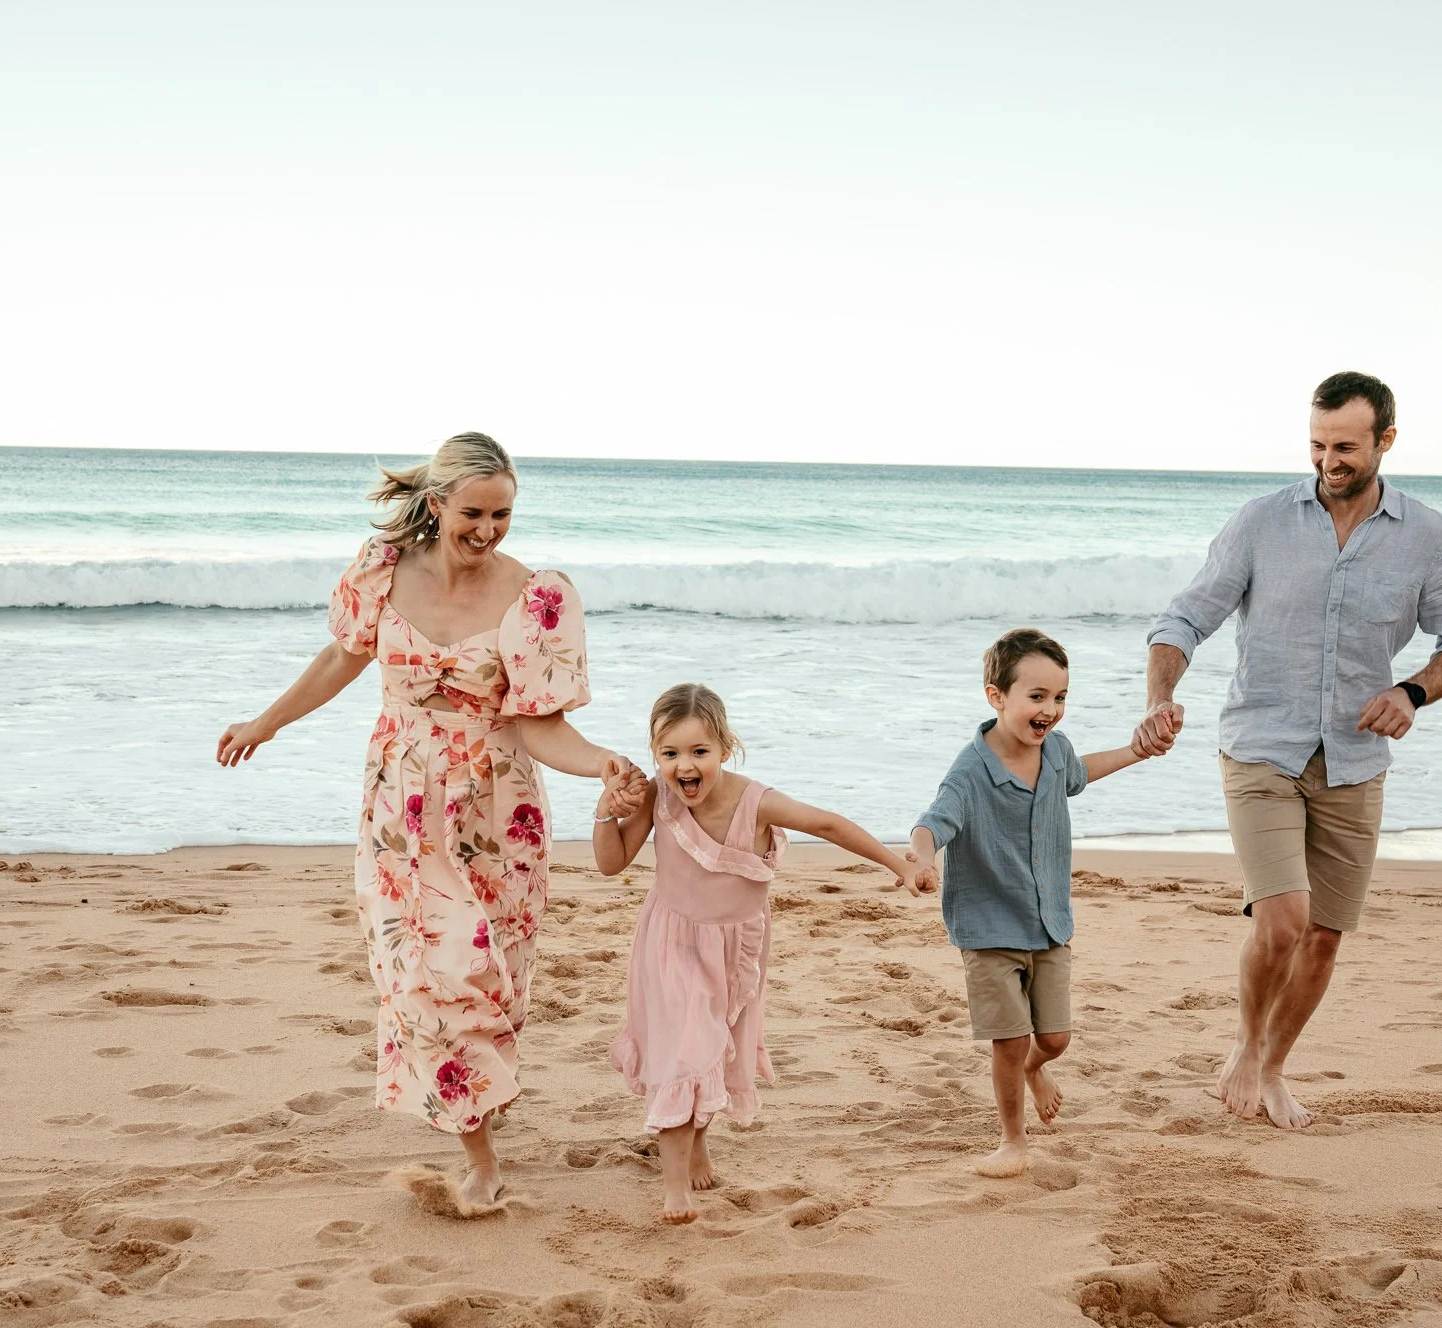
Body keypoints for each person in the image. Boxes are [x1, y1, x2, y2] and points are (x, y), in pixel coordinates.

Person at [216, 432, 642, 1208]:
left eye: (503, 515)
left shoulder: (536, 596)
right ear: (437, 502)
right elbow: (340, 660)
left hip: (497, 810)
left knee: (492, 983)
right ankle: (481, 1159)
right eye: (473, 513)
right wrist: (265, 723)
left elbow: (541, 725)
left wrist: (603, 763)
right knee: (424, 974)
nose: (487, 530)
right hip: (401, 812)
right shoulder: (381, 573)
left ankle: (477, 1113)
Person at [1135, 373, 1442, 1129]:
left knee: (1324, 940)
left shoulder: (1427, 534)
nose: (1329, 460)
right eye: (1318, 445)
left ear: (1385, 441)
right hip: (1262, 745)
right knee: (1284, 922)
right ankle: (1243, 1048)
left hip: (1356, 759)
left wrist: (1412, 693)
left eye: (1346, 447)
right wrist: (1161, 699)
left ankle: (1273, 1067)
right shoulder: (1260, 521)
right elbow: (1184, 619)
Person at [592, 682, 931, 1224]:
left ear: (726, 748)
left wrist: (901, 865)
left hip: (735, 949)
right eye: (670, 753)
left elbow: (829, 824)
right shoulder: (657, 795)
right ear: (655, 755)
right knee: (686, 1051)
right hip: (671, 944)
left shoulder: (758, 802)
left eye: (699, 752)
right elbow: (611, 864)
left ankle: (698, 1138)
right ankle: (674, 1185)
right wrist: (604, 812)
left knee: (716, 1049)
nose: (685, 766)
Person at [906, 628, 1159, 1178]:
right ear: (997, 697)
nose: (1051, 710)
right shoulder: (971, 770)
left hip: (1048, 922)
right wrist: (922, 858)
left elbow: (1080, 771)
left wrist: (1137, 751)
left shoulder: (1056, 752)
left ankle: (1034, 1069)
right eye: (1037, 697)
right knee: (1010, 1039)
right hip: (988, 927)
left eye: (1060, 697)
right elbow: (934, 820)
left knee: (1054, 1039)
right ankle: (1012, 1140)